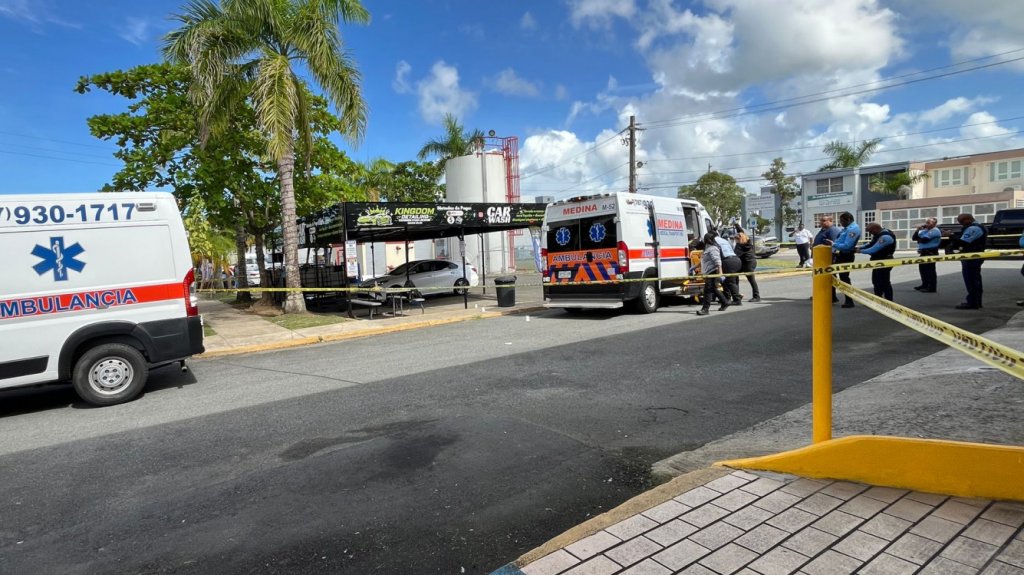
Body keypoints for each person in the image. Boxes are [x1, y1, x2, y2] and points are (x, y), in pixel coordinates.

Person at [953, 213, 987, 309]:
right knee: (975, 280)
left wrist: (951, 235)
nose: (962, 225)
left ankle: (973, 303)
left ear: (967, 219)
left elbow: (963, 242)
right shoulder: (979, 226)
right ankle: (976, 302)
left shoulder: (973, 228)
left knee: (971, 280)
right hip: (975, 256)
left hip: (971, 258)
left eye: (962, 222)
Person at [856, 223, 897, 301]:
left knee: (884, 282)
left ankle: (889, 301)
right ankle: (878, 299)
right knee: (876, 281)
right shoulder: (879, 234)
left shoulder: (885, 237)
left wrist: (860, 251)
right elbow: (871, 243)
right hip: (878, 261)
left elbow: (874, 249)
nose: (870, 233)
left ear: (875, 228)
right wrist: (859, 247)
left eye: (871, 231)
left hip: (885, 261)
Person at [832, 212, 862, 308]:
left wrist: (833, 244)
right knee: (833, 276)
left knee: (844, 279)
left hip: (846, 255)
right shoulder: (846, 229)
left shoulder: (854, 229)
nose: (841, 223)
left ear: (848, 219)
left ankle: (849, 300)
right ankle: (833, 296)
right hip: (839, 255)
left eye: (842, 221)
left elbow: (847, 246)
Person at [695, 234, 730, 316]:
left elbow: (717, 261)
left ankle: (705, 309)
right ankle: (725, 302)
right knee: (713, 289)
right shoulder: (708, 248)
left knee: (707, 290)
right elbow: (704, 261)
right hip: (709, 272)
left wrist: (720, 273)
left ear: (706, 239)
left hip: (713, 272)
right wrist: (694, 267)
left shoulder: (713, 248)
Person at [810, 215, 841, 303]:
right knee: (819, 277)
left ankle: (832, 297)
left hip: (827, 259)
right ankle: (822, 295)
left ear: (831, 221)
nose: (821, 223)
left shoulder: (833, 230)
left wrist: (829, 257)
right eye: (820, 221)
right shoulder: (823, 230)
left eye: (823, 221)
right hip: (819, 258)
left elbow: (834, 245)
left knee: (829, 277)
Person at [713, 231, 743, 305]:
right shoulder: (724, 240)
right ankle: (727, 298)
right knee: (733, 280)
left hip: (728, 261)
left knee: (730, 281)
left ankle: (736, 300)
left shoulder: (714, 241)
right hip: (736, 260)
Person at [912, 217, 941, 292]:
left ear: (934, 224)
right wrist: (918, 230)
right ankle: (924, 284)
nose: (926, 224)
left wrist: (919, 240)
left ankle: (932, 287)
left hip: (931, 252)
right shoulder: (924, 231)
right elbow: (914, 238)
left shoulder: (935, 230)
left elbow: (924, 240)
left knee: (930, 270)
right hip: (923, 252)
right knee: (923, 270)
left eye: (929, 223)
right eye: (926, 222)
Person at [733, 228, 761, 303]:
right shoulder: (747, 241)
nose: (735, 241)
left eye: (736, 239)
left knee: (751, 279)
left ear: (740, 239)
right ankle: (737, 295)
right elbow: (741, 232)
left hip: (749, 263)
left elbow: (735, 255)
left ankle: (756, 296)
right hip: (743, 263)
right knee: (734, 276)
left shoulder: (743, 247)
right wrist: (736, 225)